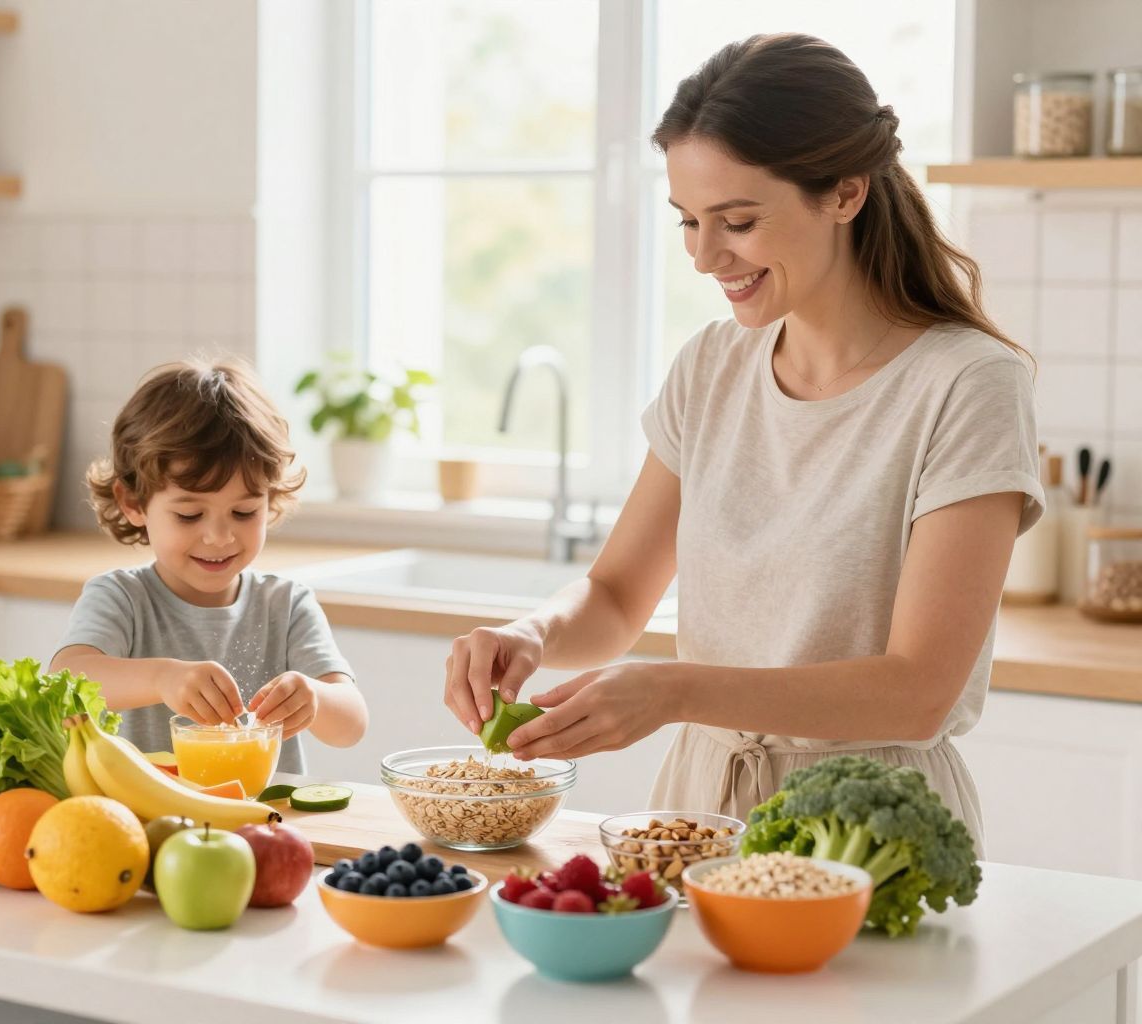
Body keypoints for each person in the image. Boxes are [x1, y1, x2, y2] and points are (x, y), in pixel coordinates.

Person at [443, 33, 1043, 850]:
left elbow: (918, 691)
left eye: (738, 221)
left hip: (869, 828)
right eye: (689, 221)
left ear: (845, 193)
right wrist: (533, 634)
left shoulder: (966, 384)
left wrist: (674, 691)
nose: (703, 256)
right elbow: (615, 597)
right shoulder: (712, 367)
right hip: (699, 811)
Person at [51, 358, 368, 773]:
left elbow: (351, 725)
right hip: (145, 810)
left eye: (244, 512)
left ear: (270, 500)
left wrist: (315, 697)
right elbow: (66, 682)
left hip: (267, 811)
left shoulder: (286, 604)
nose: (219, 537)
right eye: (189, 515)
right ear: (133, 502)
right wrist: (162, 678)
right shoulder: (121, 598)